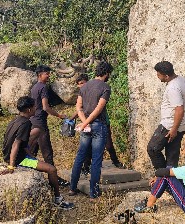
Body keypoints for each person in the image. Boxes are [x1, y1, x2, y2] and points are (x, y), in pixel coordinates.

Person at [0, 96, 75, 209]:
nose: (36, 108)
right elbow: (16, 144)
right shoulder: (25, 123)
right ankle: (57, 199)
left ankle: (28, 159)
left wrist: (30, 155)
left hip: (13, 154)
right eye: (34, 106)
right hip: (19, 160)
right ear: (29, 110)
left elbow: (15, 141)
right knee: (52, 169)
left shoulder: (15, 120)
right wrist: (11, 165)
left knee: (37, 131)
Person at [68, 62, 114, 201]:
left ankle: (72, 188)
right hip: (98, 125)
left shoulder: (85, 86)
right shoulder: (105, 87)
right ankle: (93, 193)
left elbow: (78, 107)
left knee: (80, 156)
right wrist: (87, 123)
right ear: (106, 73)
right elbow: (99, 109)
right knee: (96, 159)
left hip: (86, 126)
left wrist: (83, 122)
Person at [134, 138, 185, 218]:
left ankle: (149, 205)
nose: (181, 149)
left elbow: (161, 172)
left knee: (166, 175)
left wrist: (157, 177)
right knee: (169, 173)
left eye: (183, 149)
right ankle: (152, 199)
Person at [70, 74, 124, 174]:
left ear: (87, 82)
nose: (80, 86)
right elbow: (80, 108)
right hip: (87, 123)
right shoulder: (85, 91)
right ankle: (86, 167)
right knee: (87, 147)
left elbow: (96, 109)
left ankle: (115, 161)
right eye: (79, 84)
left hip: (100, 122)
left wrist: (84, 122)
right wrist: (73, 119)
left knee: (108, 145)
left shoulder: (94, 90)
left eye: (82, 83)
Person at [147, 61, 185, 170]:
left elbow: (179, 110)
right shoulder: (181, 80)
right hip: (181, 125)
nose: (157, 76)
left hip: (170, 126)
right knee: (172, 156)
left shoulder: (173, 88)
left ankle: (163, 176)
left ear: (166, 76)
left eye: (159, 74)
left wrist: (173, 130)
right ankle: (170, 183)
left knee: (153, 148)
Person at [29, 65, 69, 187]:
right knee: (47, 152)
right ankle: (54, 180)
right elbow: (45, 107)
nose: (48, 75)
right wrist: (59, 115)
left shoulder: (34, 87)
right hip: (40, 123)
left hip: (32, 121)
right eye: (47, 73)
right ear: (40, 75)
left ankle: (31, 177)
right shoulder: (43, 88)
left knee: (32, 151)